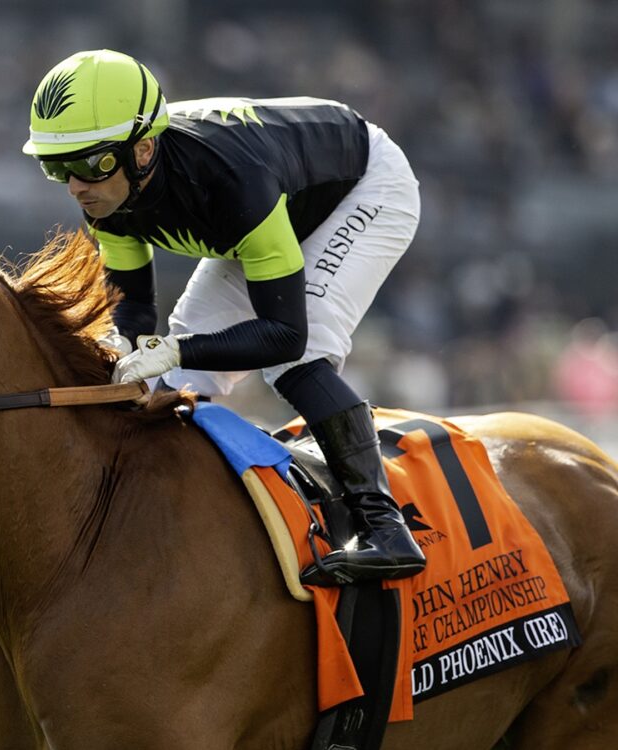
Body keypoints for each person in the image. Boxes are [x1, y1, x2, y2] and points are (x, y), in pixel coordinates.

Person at [22, 49, 424, 587]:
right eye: (58, 167)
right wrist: (140, 351)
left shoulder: (230, 180)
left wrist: (179, 347)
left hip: (362, 187)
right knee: (172, 380)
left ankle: (385, 529)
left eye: (90, 164)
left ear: (142, 150)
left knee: (295, 360)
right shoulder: (108, 194)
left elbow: (283, 334)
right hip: (270, 208)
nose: (75, 186)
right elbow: (135, 308)